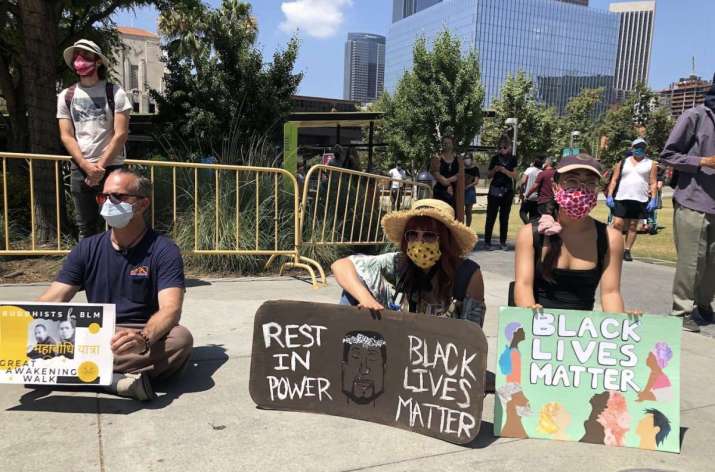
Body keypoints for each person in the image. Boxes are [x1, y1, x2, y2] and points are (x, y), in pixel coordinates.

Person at [38, 169, 193, 401]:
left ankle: (71, 371)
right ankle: (114, 381)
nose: (108, 203)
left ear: (142, 204)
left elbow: (171, 309)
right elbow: (54, 298)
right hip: (94, 331)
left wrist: (143, 338)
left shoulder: (163, 250)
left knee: (180, 340)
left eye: (118, 197)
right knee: (38, 335)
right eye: (103, 197)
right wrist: (16, 323)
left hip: (140, 334)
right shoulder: (87, 248)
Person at [331, 199, 485, 325]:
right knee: (352, 291)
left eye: (429, 236)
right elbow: (341, 265)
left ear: (445, 240)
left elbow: (473, 337)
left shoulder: (467, 274)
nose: (419, 242)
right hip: (401, 345)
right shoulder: (399, 262)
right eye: (412, 234)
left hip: (443, 352)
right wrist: (365, 298)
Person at [514, 153, 625, 312]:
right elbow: (523, 286)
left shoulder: (611, 239)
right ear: (555, 187)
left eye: (590, 183)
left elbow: (611, 293)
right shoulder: (530, 235)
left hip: (583, 333)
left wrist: (623, 326)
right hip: (539, 329)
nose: (581, 190)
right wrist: (532, 316)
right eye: (571, 181)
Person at [57, 39, 133, 240]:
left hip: (112, 167)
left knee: (119, 222)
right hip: (80, 168)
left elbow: (121, 133)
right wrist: (85, 165)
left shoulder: (115, 92)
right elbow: (66, 135)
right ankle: (88, 268)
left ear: (98, 61)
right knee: (86, 226)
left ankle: (117, 267)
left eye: (86, 55)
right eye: (77, 55)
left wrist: (99, 167)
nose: (80, 59)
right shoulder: (66, 96)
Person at [659, 75, 715, 332]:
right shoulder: (696, 116)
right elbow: (668, 155)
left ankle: (704, 305)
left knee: (712, 261)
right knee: (692, 261)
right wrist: (702, 161)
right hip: (694, 199)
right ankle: (682, 310)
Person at [606, 138, 658, 262]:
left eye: (642, 147)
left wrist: (653, 199)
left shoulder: (651, 164)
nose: (639, 150)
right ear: (632, 148)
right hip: (621, 197)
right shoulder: (623, 162)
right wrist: (609, 195)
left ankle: (627, 250)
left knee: (633, 226)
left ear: (645, 149)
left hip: (640, 198)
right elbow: (614, 179)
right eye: (637, 147)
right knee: (618, 223)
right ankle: (614, 248)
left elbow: (653, 182)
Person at [484, 136, 518, 249]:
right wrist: (495, 170)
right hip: (494, 189)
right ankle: (487, 242)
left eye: (504, 147)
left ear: (509, 147)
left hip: (507, 190)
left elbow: (515, 175)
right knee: (491, 216)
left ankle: (502, 242)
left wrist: (505, 171)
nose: (502, 149)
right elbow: (488, 175)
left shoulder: (513, 159)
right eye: (500, 147)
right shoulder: (494, 158)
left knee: (504, 217)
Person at [431, 135, 464, 216]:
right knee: (440, 216)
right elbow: (436, 173)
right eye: (444, 143)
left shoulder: (459, 159)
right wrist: (447, 183)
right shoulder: (437, 158)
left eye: (448, 143)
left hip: (455, 192)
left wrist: (448, 182)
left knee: (453, 216)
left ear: (453, 144)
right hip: (440, 191)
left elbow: (460, 174)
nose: (446, 145)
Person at [518, 158, 543, 223]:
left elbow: (523, 182)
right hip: (537, 198)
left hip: (528, 196)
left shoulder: (529, 170)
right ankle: (531, 229)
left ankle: (528, 225)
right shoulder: (541, 172)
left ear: (534, 163)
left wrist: (521, 194)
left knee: (522, 213)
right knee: (533, 217)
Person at [463, 153, 480, 228]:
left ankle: (467, 227)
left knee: (468, 211)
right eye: (465, 158)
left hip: (470, 191)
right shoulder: (461, 169)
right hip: (461, 191)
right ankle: (460, 227)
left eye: (468, 158)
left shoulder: (475, 169)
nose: (467, 159)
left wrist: (467, 186)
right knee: (460, 211)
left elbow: (476, 182)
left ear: (471, 159)